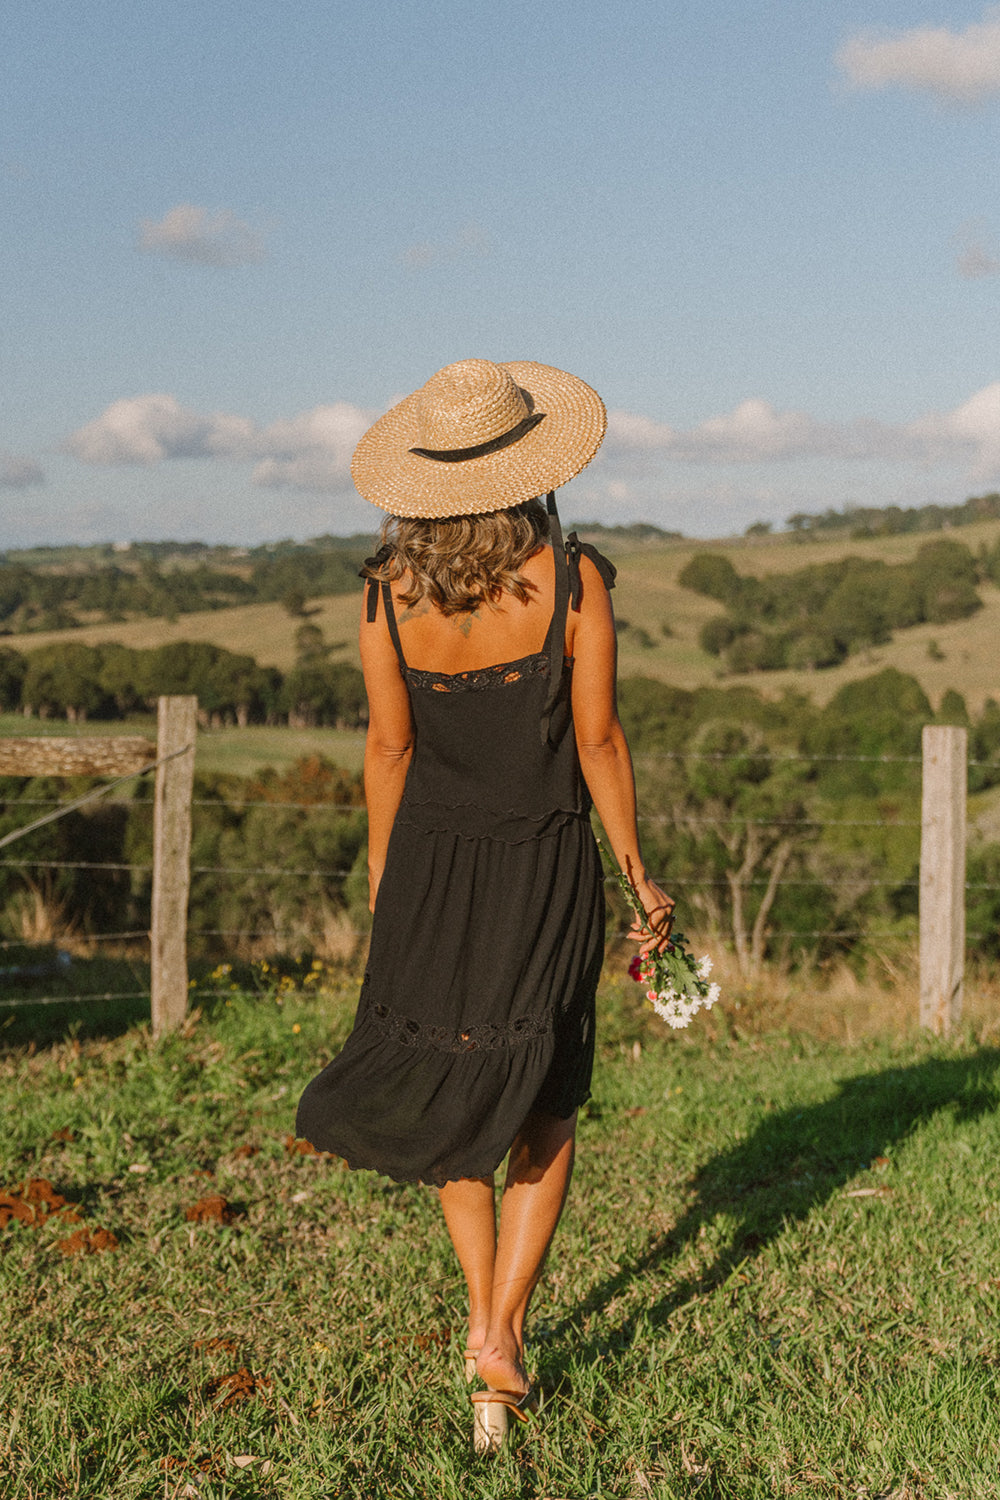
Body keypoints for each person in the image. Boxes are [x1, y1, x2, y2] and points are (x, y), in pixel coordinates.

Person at [295, 358, 674, 1453]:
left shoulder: (385, 592)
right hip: (543, 867)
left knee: (461, 1089)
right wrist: (638, 871)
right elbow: (597, 739)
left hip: (428, 871)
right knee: (543, 1105)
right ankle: (503, 1335)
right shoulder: (569, 578)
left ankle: (478, 1321)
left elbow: (387, 749)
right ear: (527, 472)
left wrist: (385, 887)